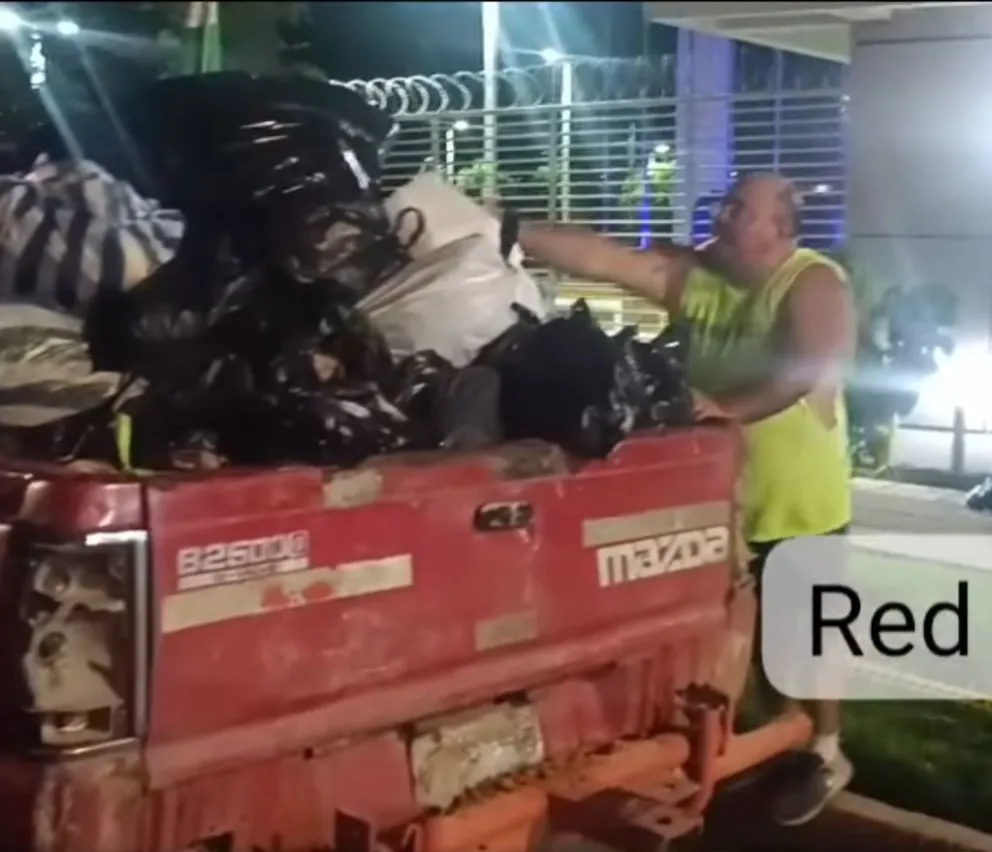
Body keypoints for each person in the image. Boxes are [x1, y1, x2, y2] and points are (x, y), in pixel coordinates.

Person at [513, 173, 857, 826]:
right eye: (725, 203)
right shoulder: (699, 274)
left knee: (802, 636)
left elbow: (810, 367)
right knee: (736, 633)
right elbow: (606, 258)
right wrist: (510, 229)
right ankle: (771, 742)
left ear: (779, 228)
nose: (723, 215)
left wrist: (727, 408)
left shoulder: (812, 282)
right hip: (717, 497)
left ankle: (825, 751)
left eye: (740, 209)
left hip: (798, 497)